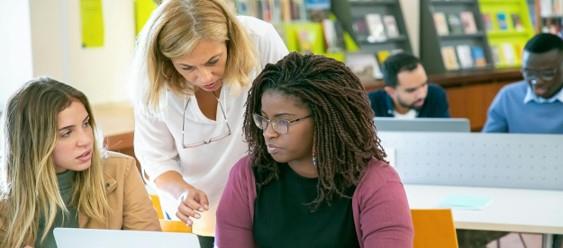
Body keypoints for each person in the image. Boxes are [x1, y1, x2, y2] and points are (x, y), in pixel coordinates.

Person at [130, 0, 288, 246]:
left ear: (230, 42)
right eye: (186, 67)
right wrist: (180, 191)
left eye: (213, 61)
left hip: (273, 202)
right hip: (201, 217)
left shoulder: (259, 39)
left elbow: (293, 108)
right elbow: (156, 158)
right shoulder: (153, 82)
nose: (204, 77)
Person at [216, 52, 413, 247]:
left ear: (324, 120)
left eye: (282, 121)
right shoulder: (247, 176)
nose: (268, 133)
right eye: (264, 119)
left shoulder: (377, 183)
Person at [0, 77, 160, 248]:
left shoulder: (121, 171)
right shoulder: (5, 202)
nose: (85, 140)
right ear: (33, 142)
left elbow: (151, 244)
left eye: (85, 124)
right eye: (66, 133)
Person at [483, 33, 563, 133]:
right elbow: (489, 143)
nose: (537, 81)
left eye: (547, 74)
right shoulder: (508, 97)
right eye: (529, 73)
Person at [368, 52, 450, 118]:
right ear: (391, 91)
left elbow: (445, 136)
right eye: (411, 90)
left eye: (424, 84)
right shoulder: (370, 104)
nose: (421, 94)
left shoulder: (436, 95)